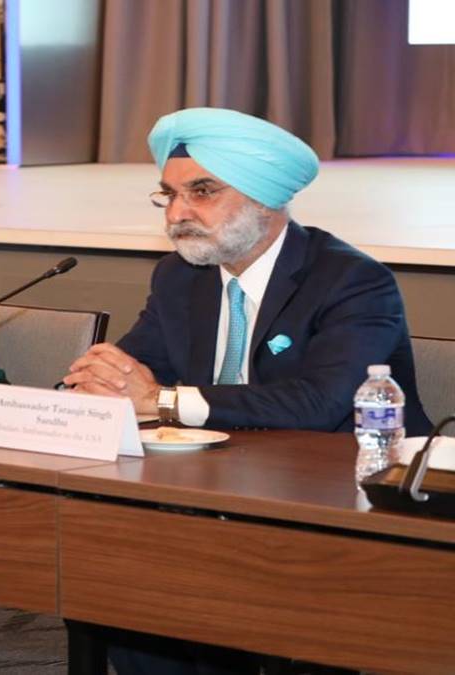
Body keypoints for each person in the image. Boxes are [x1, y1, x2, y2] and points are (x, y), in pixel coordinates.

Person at [64, 107, 431, 673]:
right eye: (169, 195)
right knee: (121, 587)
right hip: (216, 486)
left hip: (339, 498)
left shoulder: (352, 280)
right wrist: (91, 384)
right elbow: (131, 368)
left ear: (264, 198)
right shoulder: (179, 276)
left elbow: (320, 402)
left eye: (202, 192)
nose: (178, 214)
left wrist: (161, 400)